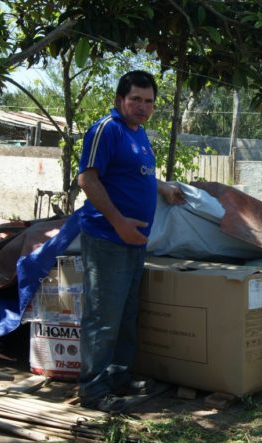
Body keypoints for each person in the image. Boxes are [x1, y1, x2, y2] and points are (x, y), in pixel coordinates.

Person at [77, 70, 182, 412]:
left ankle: (118, 377)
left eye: (148, 101)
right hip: (108, 237)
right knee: (103, 316)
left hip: (134, 241)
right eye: (135, 99)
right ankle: (93, 390)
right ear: (119, 99)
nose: (142, 106)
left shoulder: (139, 134)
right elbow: (87, 180)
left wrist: (162, 186)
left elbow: (138, 176)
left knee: (125, 314)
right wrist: (119, 222)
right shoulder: (106, 130)